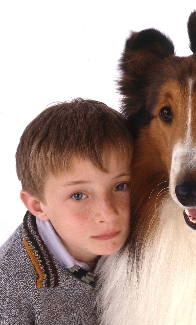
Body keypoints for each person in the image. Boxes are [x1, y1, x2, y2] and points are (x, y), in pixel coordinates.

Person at [0, 98, 133, 324]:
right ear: (37, 206)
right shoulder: (10, 285)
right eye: (78, 195)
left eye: (121, 186)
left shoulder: (145, 239)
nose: (108, 213)